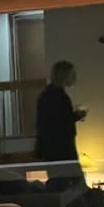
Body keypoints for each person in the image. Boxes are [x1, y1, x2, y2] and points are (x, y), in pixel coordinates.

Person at [35, 60, 87, 193]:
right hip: (60, 147)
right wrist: (76, 116)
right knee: (67, 182)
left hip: (55, 146)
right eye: (72, 74)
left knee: (61, 182)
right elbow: (58, 122)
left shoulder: (49, 94)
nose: (74, 77)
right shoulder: (56, 96)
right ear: (64, 76)